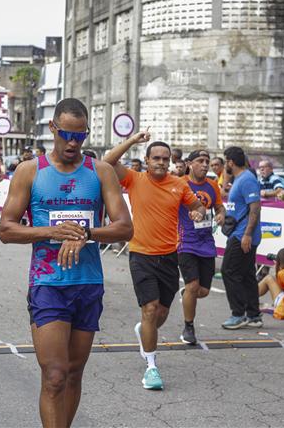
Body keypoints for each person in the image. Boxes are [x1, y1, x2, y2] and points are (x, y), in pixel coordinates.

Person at [0, 98, 133, 428]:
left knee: (73, 374)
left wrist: (87, 232)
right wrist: (51, 231)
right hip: (48, 284)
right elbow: (6, 229)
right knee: (55, 376)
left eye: (80, 136)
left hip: (88, 283)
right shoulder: (30, 171)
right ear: (53, 128)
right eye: (67, 135)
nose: (73, 143)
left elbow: (125, 228)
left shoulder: (100, 171)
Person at [103, 132, 205, 390]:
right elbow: (107, 162)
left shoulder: (179, 185)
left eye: (165, 159)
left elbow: (198, 207)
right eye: (156, 158)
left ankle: (145, 329)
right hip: (141, 255)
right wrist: (132, 141)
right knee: (149, 309)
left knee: (160, 315)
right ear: (147, 160)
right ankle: (151, 367)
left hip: (169, 256)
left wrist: (197, 212)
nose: (161, 162)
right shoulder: (134, 179)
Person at [178, 149, 226, 344]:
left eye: (207, 161)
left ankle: (187, 295)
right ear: (190, 164)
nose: (205, 164)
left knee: (203, 291)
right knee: (192, 285)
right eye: (200, 161)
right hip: (185, 242)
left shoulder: (212, 185)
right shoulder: (179, 183)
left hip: (206, 242)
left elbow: (219, 206)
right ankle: (188, 327)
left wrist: (221, 214)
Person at [220, 146, 263, 330]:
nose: (224, 166)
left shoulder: (247, 179)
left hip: (242, 236)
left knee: (228, 271)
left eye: (225, 162)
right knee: (246, 274)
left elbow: (255, 208)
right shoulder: (239, 179)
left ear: (231, 162)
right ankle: (253, 315)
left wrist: (247, 234)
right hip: (240, 233)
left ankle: (238, 314)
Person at [257, 247, 284, 320]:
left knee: (268, 278)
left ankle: (249, 298)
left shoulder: (282, 273)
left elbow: (281, 288)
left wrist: (277, 268)